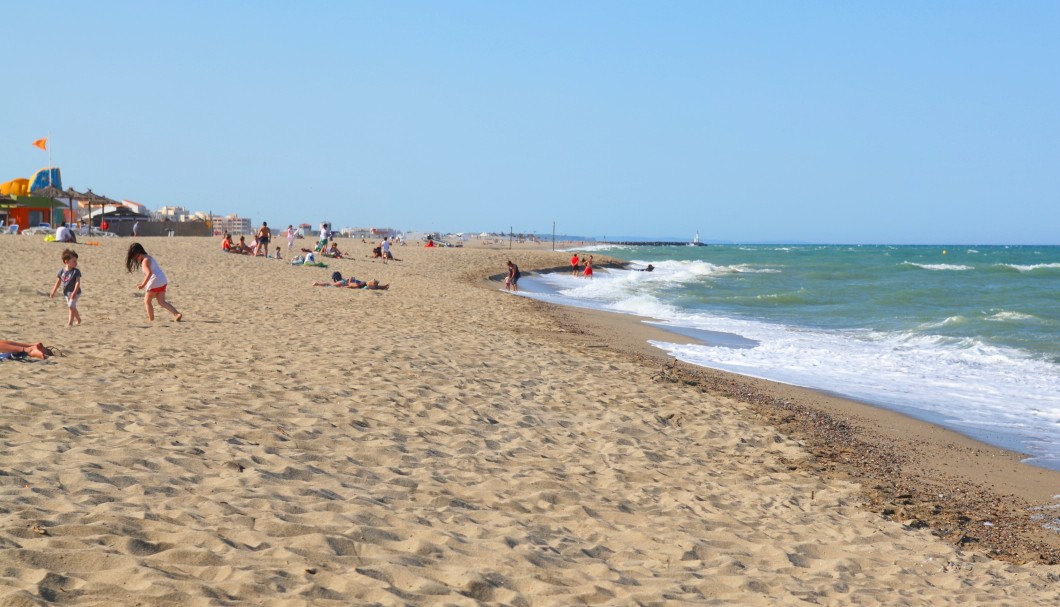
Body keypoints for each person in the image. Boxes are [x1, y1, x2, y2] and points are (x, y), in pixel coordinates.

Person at [126, 242, 182, 322]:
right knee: (162, 302)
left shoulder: (144, 261)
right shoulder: (149, 257)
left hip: (155, 281)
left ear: (138, 253)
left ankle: (151, 319)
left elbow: (149, 273)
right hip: (162, 280)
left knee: (147, 301)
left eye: (135, 256)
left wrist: (143, 285)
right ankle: (177, 314)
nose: (135, 259)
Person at [49, 248, 82, 326]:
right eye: (74, 261)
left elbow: (78, 283)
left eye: (76, 261)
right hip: (67, 293)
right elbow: (58, 282)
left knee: (71, 305)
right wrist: (53, 291)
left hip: (76, 292)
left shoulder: (76, 271)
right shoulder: (61, 271)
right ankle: (79, 319)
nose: (76, 263)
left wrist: (74, 292)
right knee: (72, 306)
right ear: (66, 261)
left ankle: (70, 323)